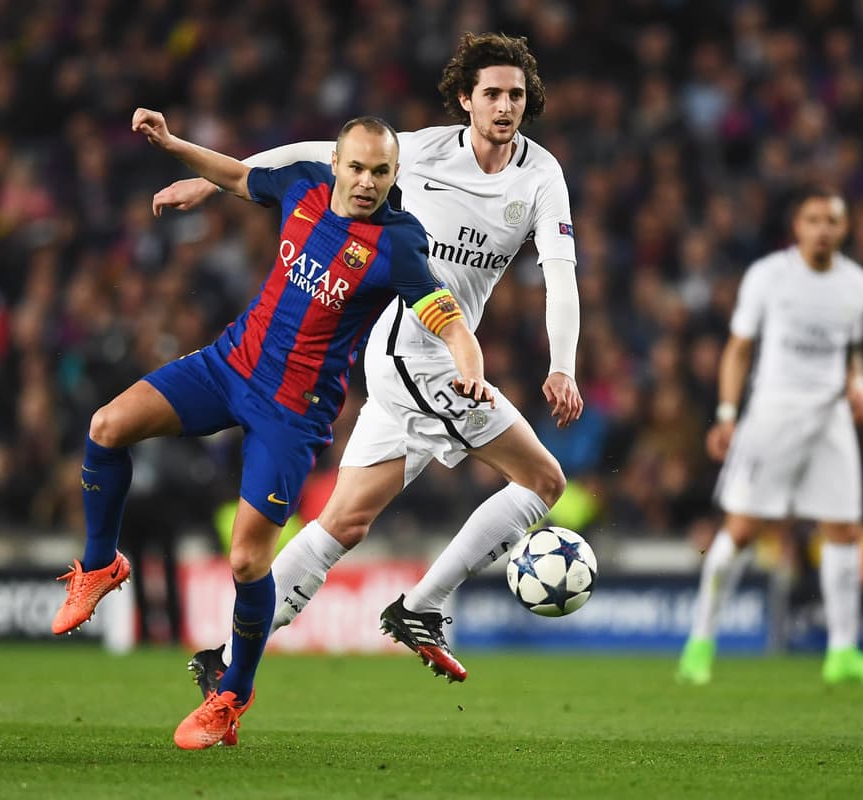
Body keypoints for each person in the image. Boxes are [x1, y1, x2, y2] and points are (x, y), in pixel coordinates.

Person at [51, 107, 491, 750]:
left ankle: (232, 692)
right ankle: (98, 565)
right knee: (107, 425)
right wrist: (173, 144)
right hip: (229, 365)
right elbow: (235, 174)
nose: (368, 182)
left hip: (293, 412)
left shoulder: (397, 241)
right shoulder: (303, 185)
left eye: (383, 172)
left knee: (247, 558)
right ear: (337, 164)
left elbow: (448, 317)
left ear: (395, 176)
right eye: (359, 168)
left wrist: (470, 366)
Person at [154, 32, 580, 684]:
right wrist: (221, 181)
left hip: (421, 362)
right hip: (416, 352)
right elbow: (323, 156)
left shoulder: (541, 176)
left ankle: (226, 657)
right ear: (466, 98)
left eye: (516, 95)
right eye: (491, 93)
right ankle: (424, 607)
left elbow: (561, 271)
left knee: (343, 523)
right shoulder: (420, 152)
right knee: (543, 481)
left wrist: (563, 364)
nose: (504, 106)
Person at [676, 187, 863, 686]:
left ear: (844, 229)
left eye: (832, 221)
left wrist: (859, 385)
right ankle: (700, 641)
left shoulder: (856, 283)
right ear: (797, 226)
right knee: (742, 530)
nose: (823, 229)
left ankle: (842, 653)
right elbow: (738, 349)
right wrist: (728, 414)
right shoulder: (769, 277)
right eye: (814, 219)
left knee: (844, 531)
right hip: (772, 414)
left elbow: (853, 350)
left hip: (831, 417)